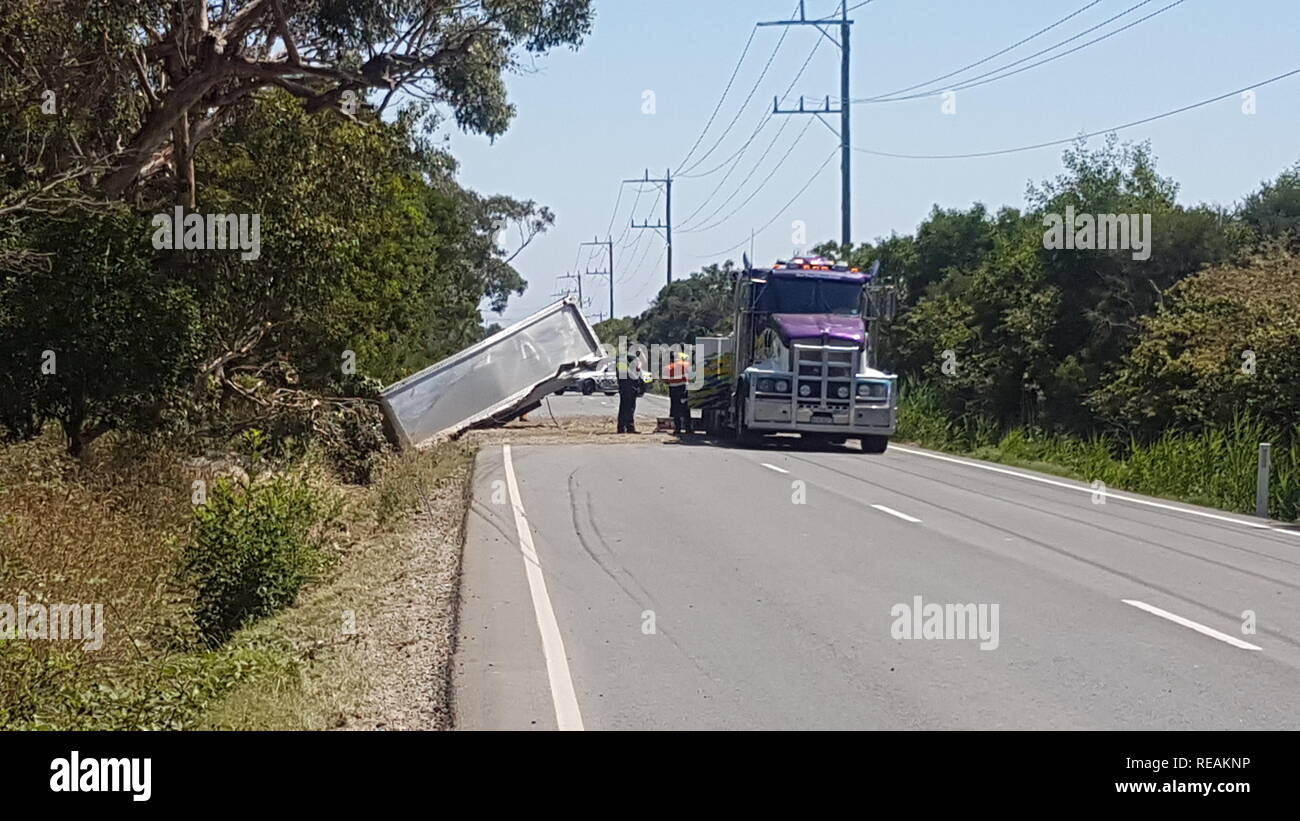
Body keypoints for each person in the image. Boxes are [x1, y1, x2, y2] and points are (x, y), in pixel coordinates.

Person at [665, 351, 692, 434]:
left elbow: (666, 380)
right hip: (683, 389)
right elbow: (691, 375)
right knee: (685, 408)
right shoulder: (685, 364)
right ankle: (688, 428)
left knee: (675, 409)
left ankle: (677, 428)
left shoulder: (668, 367)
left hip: (673, 390)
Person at [615, 352, 642, 433]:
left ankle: (628, 427)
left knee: (629, 408)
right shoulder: (623, 362)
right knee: (625, 408)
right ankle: (623, 427)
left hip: (629, 387)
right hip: (627, 387)